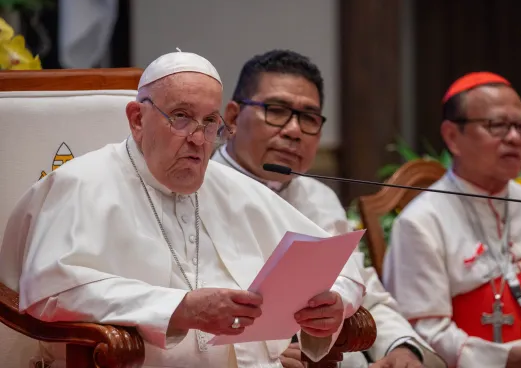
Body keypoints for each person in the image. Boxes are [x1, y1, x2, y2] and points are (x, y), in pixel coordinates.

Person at [0, 51, 367, 368]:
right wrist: (180, 308)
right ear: (137, 119)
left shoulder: (231, 188)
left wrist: (333, 304)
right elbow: (50, 288)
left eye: (210, 122)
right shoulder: (81, 183)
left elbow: (340, 264)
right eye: (181, 116)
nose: (197, 138)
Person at [211, 49, 447, 368]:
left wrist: (402, 349)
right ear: (235, 117)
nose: (293, 130)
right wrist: (263, 354)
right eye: (277, 111)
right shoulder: (199, 191)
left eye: (308, 118)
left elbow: (367, 290)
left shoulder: (318, 197)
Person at [382, 72, 521, 367]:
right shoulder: (421, 222)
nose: (514, 137)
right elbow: (423, 333)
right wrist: (507, 358)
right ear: (452, 136)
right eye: (497, 125)